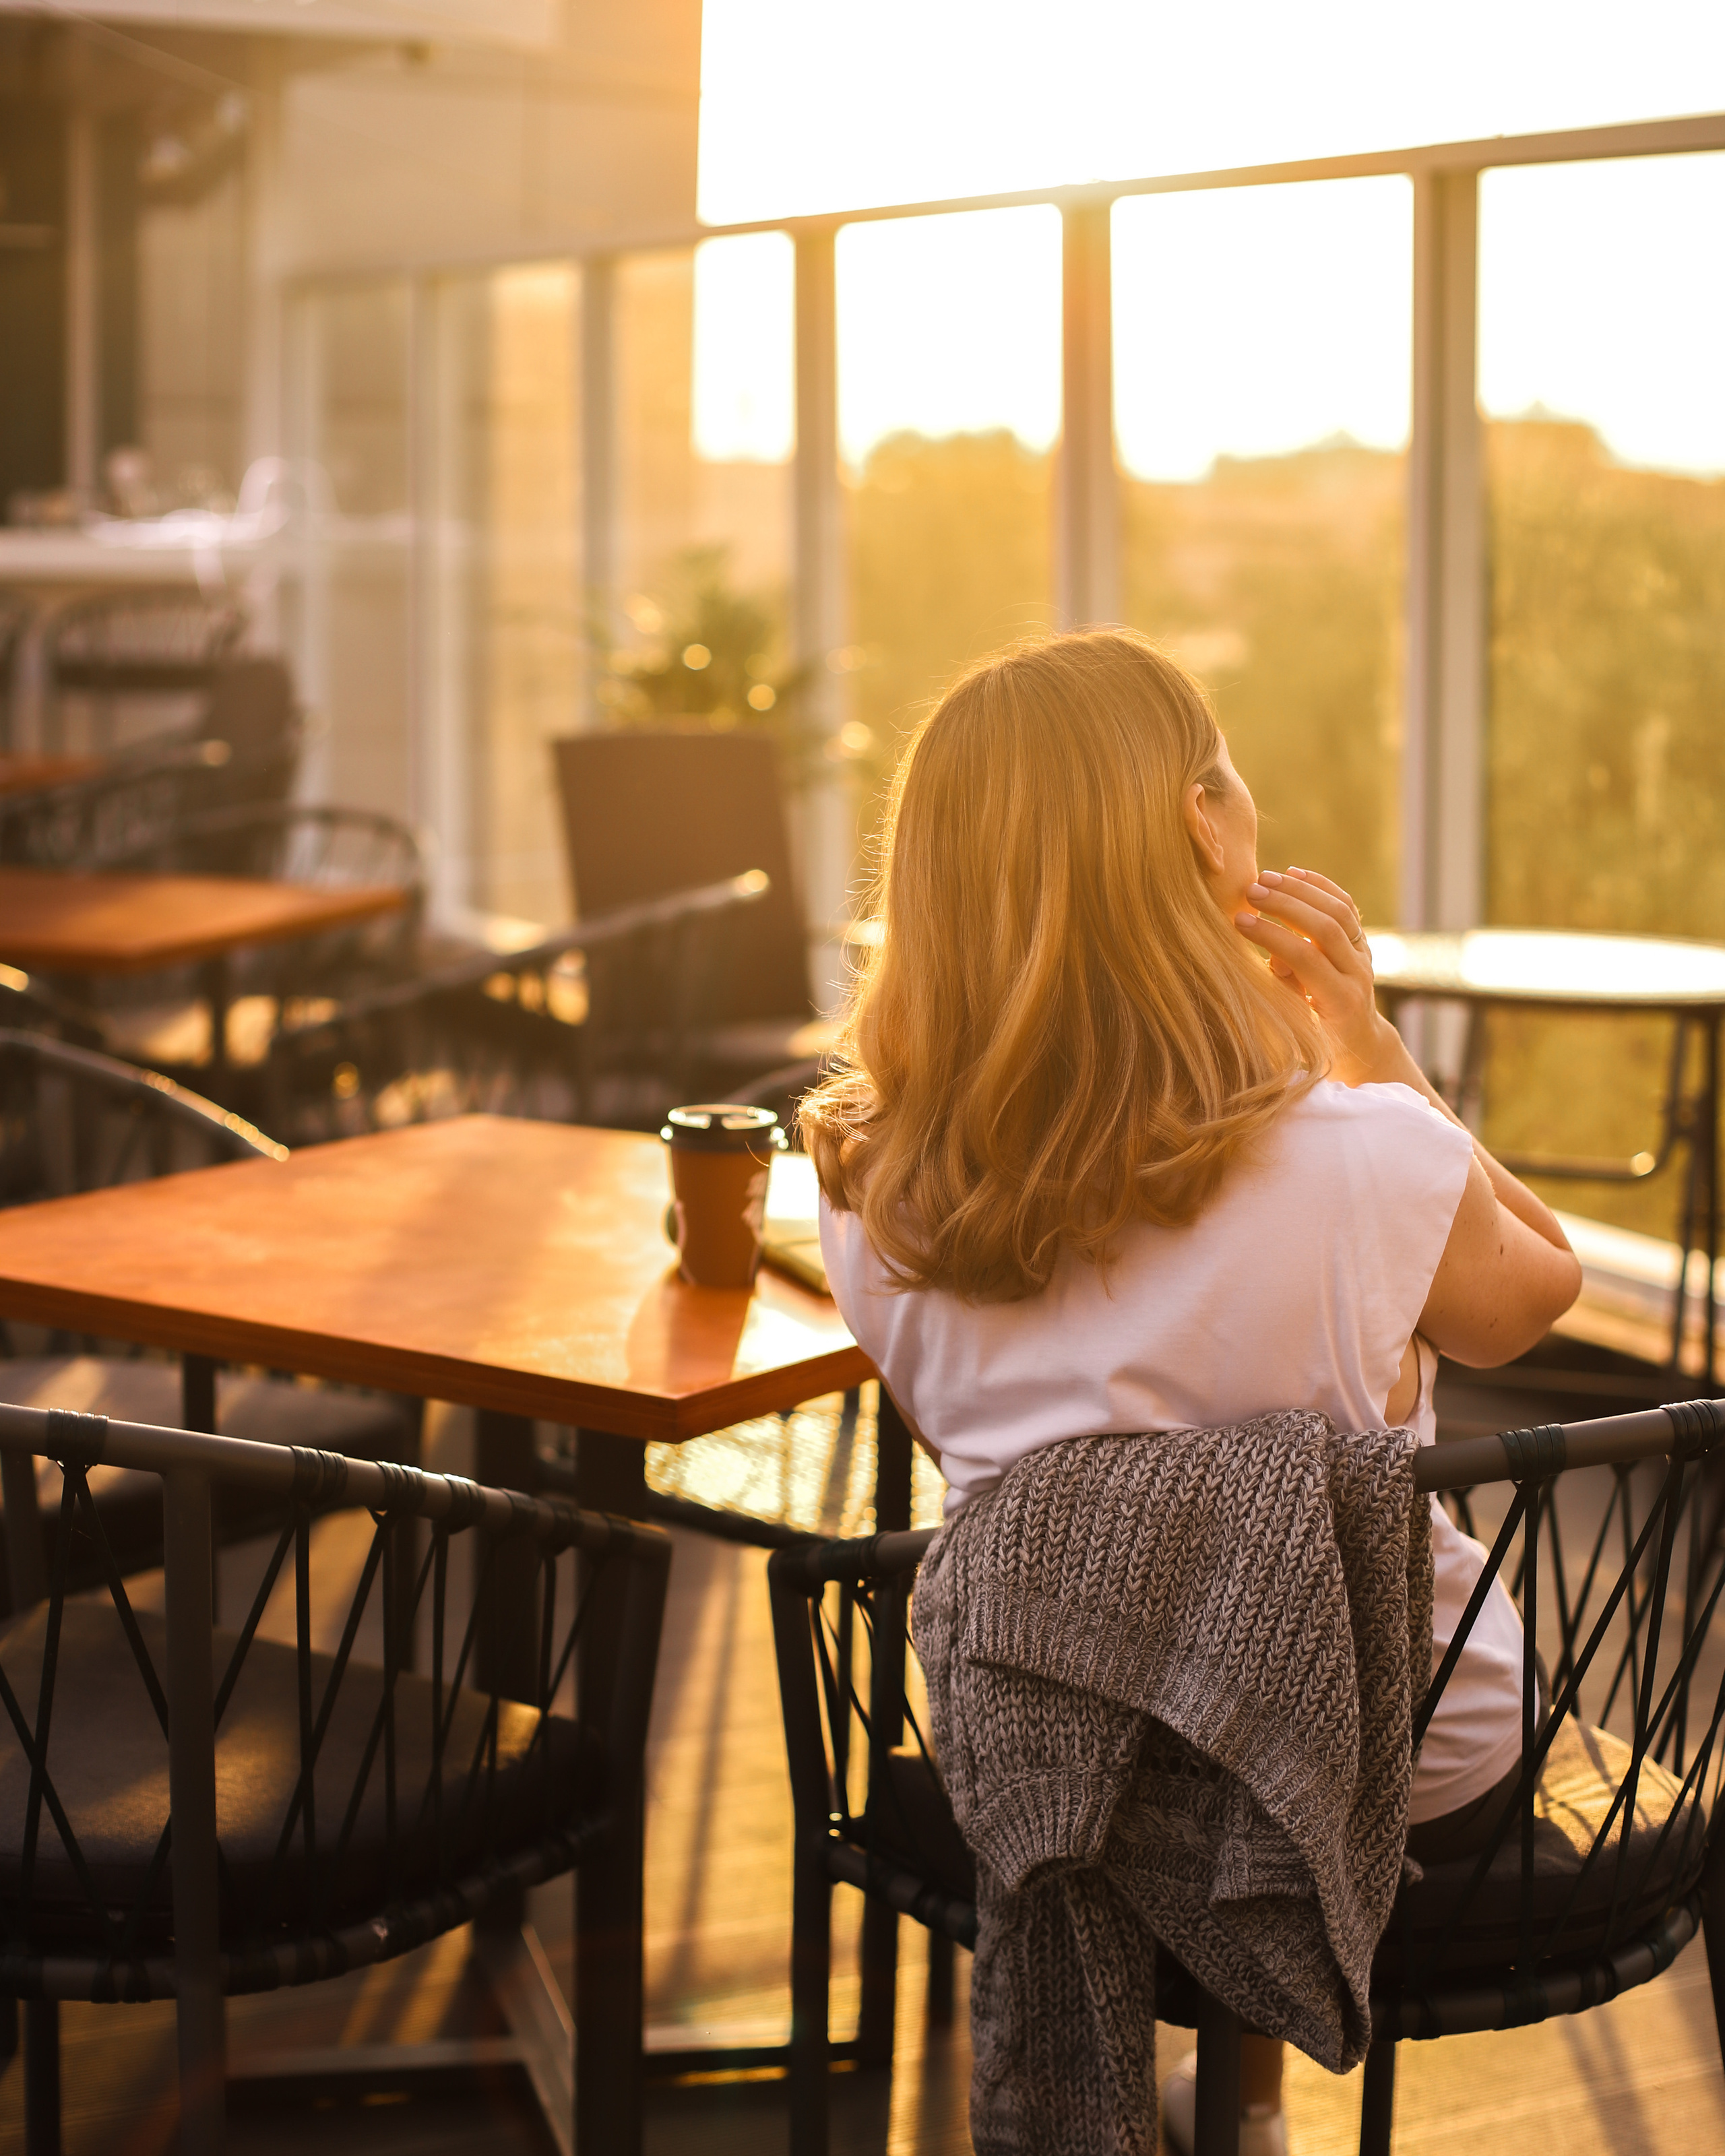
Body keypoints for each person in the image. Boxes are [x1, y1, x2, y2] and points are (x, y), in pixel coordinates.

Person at [799, 628, 1581, 2156]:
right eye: (1221, 770)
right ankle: (1247, 2107)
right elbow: (1531, 1292)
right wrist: (1368, 1049)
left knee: (1166, 1616)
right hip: (1400, 1785)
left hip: (1050, 1788)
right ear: (1191, 841)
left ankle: (1234, 2104)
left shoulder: (866, 1179)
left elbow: (1069, 1503)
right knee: (1271, 1619)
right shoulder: (1361, 1156)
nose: (1253, 796)